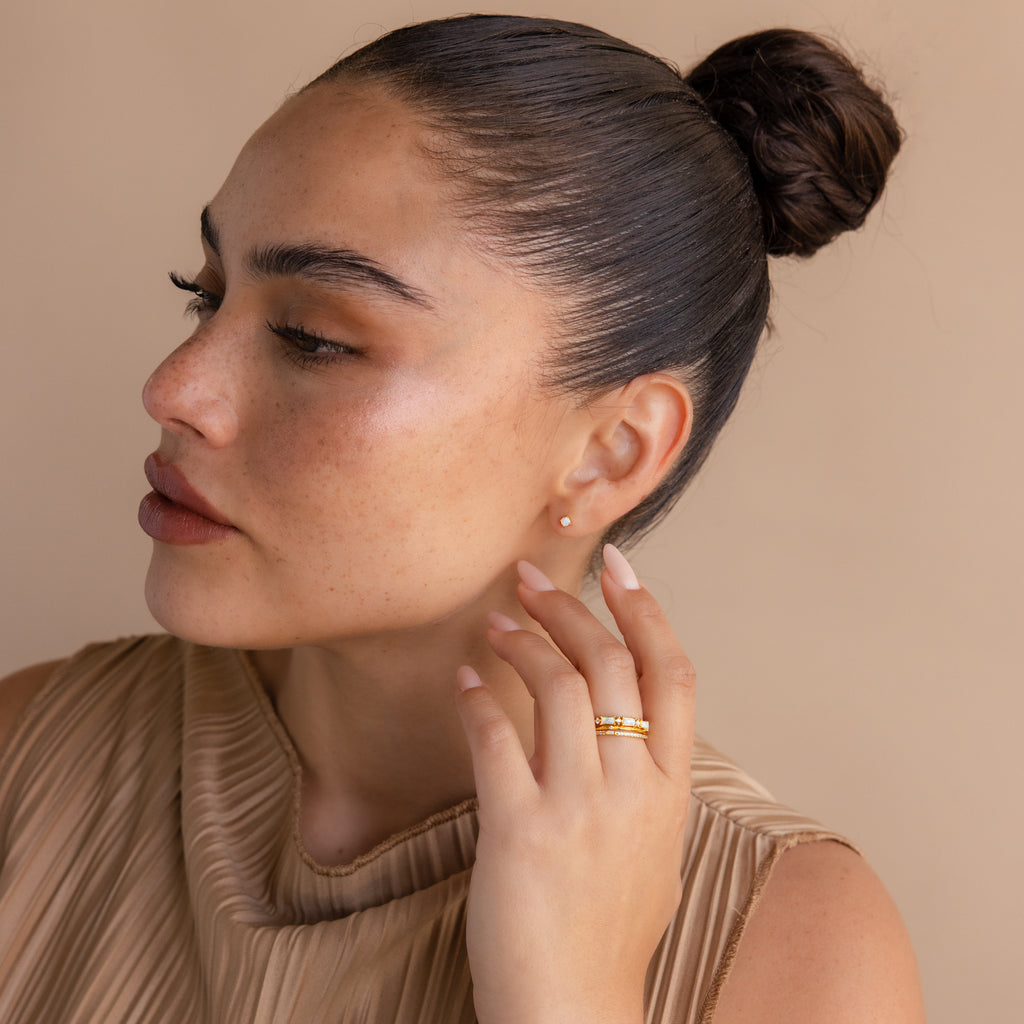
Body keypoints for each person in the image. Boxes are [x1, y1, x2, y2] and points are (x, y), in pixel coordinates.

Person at [0, 13, 925, 1024]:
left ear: (611, 451)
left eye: (311, 337)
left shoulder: (793, 947)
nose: (173, 389)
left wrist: (571, 999)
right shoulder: (31, 754)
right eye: (204, 295)